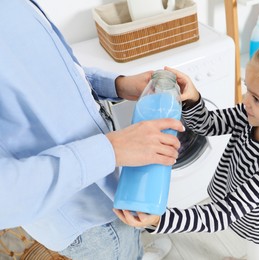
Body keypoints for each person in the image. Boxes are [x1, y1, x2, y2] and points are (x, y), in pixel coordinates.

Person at [114, 38, 259, 260]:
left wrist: (160, 220)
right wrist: (192, 99)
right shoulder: (249, 116)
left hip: (257, 226)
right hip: (231, 206)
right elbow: (208, 124)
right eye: (248, 90)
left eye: (256, 98)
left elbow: (221, 216)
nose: (246, 101)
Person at [0, 0, 183, 259]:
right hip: (86, 218)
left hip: (111, 183)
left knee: (131, 238)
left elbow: (47, 76)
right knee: (122, 247)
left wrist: (115, 85)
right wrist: (111, 149)